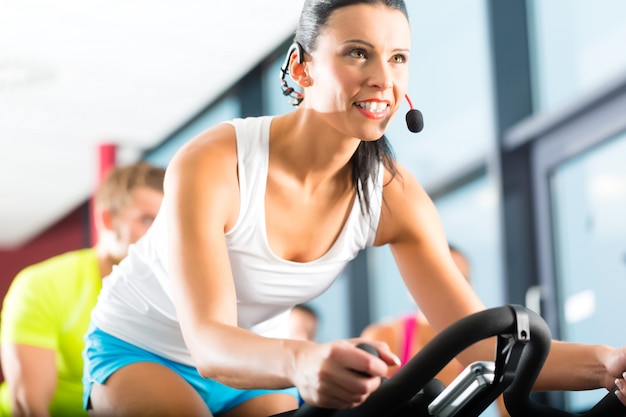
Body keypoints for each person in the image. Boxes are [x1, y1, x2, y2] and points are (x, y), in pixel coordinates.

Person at [81, 1, 626, 416]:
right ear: (301, 68)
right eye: (357, 52)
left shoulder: (391, 193)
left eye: (397, 59)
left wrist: (607, 366)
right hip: (142, 345)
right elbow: (207, 343)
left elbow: (479, 336)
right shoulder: (215, 162)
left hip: (253, 362)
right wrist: (301, 359)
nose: (382, 80)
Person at [0, 162, 165, 417]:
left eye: (167, 222)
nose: (160, 235)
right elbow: (29, 408)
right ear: (107, 220)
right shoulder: (41, 285)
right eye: (147, 219)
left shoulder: (173, 293)